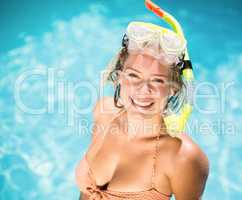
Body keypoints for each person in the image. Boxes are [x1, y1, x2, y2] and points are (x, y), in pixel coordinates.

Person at [75, 11, 209, 200]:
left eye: (158, 81)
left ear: (174, 88)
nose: (143, 90)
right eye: (133, 76)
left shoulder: (184, 157)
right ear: (119, 76)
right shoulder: (103, 113)